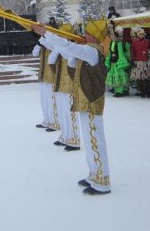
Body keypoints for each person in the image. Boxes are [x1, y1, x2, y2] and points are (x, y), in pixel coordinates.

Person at [32, 19, 111, 195]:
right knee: (91, 141)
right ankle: (94, 175)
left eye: (88, 33)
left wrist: (47, 33)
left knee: (95, 141)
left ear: (95, 36)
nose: (84, 35)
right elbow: (70, 57)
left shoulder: (93, 51)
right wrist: (52, 39)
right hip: (85, 101)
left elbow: (70, 49)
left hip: (91, 102)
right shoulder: (87, 51)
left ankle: (102, 181)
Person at [47, 23, 80, 151]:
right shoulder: (60, 48)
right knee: (62, 113)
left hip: (70, 85)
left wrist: (58, 46)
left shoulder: (73, 47)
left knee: (71, 113)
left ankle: (75, 139)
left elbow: (69, 57)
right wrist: (57, 47)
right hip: (60, 83)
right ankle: (65, 136)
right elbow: (51, 60)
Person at [32, 36, 59, 132]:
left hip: (51, 76)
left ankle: (54, 122)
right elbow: (34, 53)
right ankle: (46, 120)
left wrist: (45, 40)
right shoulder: (42, 44)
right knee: (44, 100)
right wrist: (39, 44)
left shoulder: (54, 43)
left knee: (51, 100)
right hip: (43, 75)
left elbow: (54, 48)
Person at [105, 27, 131, 97]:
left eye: (113, 35)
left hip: (117, 62)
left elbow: (121, 53)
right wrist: (108, 60)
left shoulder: (119, 43)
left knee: (120, 75)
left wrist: (121, 62)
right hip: (113, 62)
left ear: (116, 37)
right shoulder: (111, 43)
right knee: (115, 76)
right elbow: (110, 53)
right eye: (111, 35)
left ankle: (120, 91)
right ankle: (118, 91)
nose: (111, 36)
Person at [130, 28, 150, 97]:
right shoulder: (135, 42)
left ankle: (147, 91)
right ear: (138, 35)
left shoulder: (147, 41)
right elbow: (133, 51)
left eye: (142, 34)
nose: (141, 35)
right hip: (138, 61)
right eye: (140, 34)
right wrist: (133, 59)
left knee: (146, 77)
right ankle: (141, 91)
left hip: (145, 61)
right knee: (139, 78)